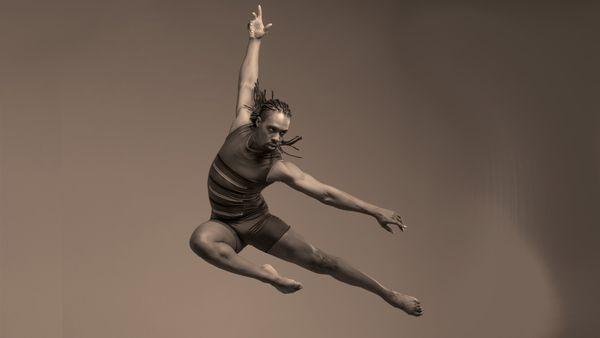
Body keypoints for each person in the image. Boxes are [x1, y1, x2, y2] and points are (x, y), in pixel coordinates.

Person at [189, 5, 423, 316]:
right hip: (224, 223)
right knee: (200, 241)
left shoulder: (277, 167)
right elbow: (248, 82)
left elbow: (325, 193)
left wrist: (374, 210)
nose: (277, 138)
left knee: (320, 261)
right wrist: (255, 40)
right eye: (272, 129)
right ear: (257, 121)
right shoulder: (240, 123)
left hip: (257, 224)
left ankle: (389, 294)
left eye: (282, 133)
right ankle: (268, 276)